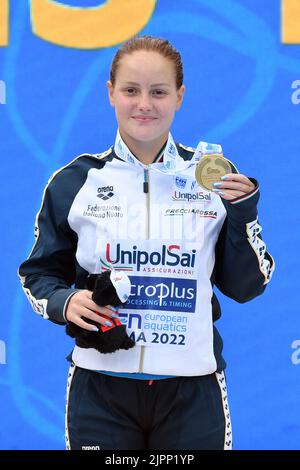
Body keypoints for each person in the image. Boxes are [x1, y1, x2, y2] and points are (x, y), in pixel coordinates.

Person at [18, 35, 274, 450]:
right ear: (111, 93)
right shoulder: (74, 182)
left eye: (159, 92)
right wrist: (64, 302)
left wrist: (243, 213)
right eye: (131, 91)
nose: (144, 104)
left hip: (191, 393)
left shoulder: (214, 179)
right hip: (100, 390)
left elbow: (248, 286)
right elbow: (38, 274)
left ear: (179, 96)